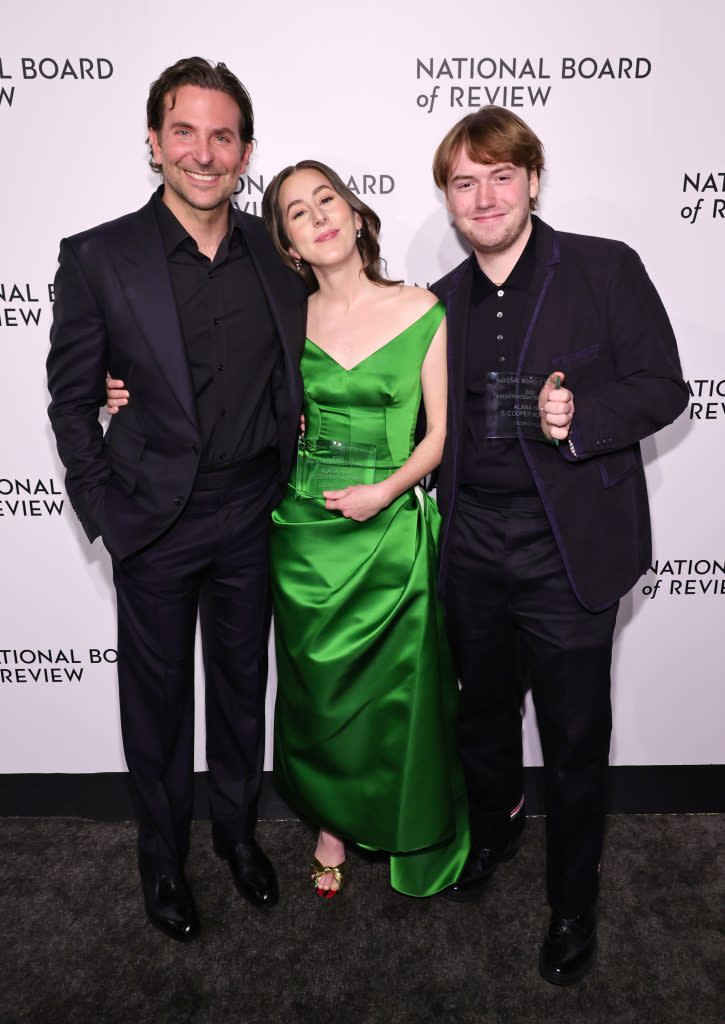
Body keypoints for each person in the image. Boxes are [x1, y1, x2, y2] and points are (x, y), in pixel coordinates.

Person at [109, 161, 469, 899]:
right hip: (300, 529)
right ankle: (330, 823)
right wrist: (124, 387)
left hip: (389, 527)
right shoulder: (283, 313)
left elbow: (437, 439)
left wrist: (384, 492)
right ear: (291, 246)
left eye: (326, 199)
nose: (319, 216)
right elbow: (203, 380)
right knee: (317, 695)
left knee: (397, 692)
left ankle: (401, 821)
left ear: (357, 214)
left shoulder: (422, 307)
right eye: (298, 212)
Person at [47, 57, 307, 942]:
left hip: (251, 513)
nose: (205, 152)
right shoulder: (98, 257)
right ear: (153, 142)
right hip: (152, 522)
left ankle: (236, 839)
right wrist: (107, 514)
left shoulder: (279, 261)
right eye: (185, 131)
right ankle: (163, 863)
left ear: (245, 152)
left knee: (241, 695)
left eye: (223, 135)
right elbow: (71, 400)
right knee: (155, 712)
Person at [429, 107, 688, 984]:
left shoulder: (603, 268)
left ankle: (572, 902)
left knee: (575, 740)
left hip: (567, 552)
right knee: (483, 718)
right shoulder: (436, 304)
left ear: (532, 180)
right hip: (467, 548)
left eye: (501, 175)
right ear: (450, 202)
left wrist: (583, 418)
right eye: (465, 182)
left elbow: (662, 385)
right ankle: (493, 834)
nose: (485, 196)